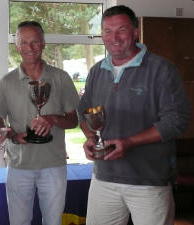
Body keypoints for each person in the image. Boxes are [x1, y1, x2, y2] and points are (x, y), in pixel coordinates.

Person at [77, 5, 191, 225]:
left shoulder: (162, 70)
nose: (114, 37)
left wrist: (130, 142)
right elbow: (84, 113)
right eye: (107, 31)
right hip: (104, 179)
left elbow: (177, 120)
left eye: (121, 29)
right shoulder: (97, 71)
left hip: (149, 181)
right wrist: (90, 138)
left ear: (135, 31)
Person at [0, 21, 80, 225]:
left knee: (52, 222)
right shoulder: (6, 82)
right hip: (18, 165)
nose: (30, 48)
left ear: (43, 43)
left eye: (35, 42)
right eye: (24, 42)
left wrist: (52, 118)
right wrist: (14, 136)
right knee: (19, 222)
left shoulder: (61, 77)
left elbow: (74, 120)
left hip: (53, 164)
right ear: (17, 46)